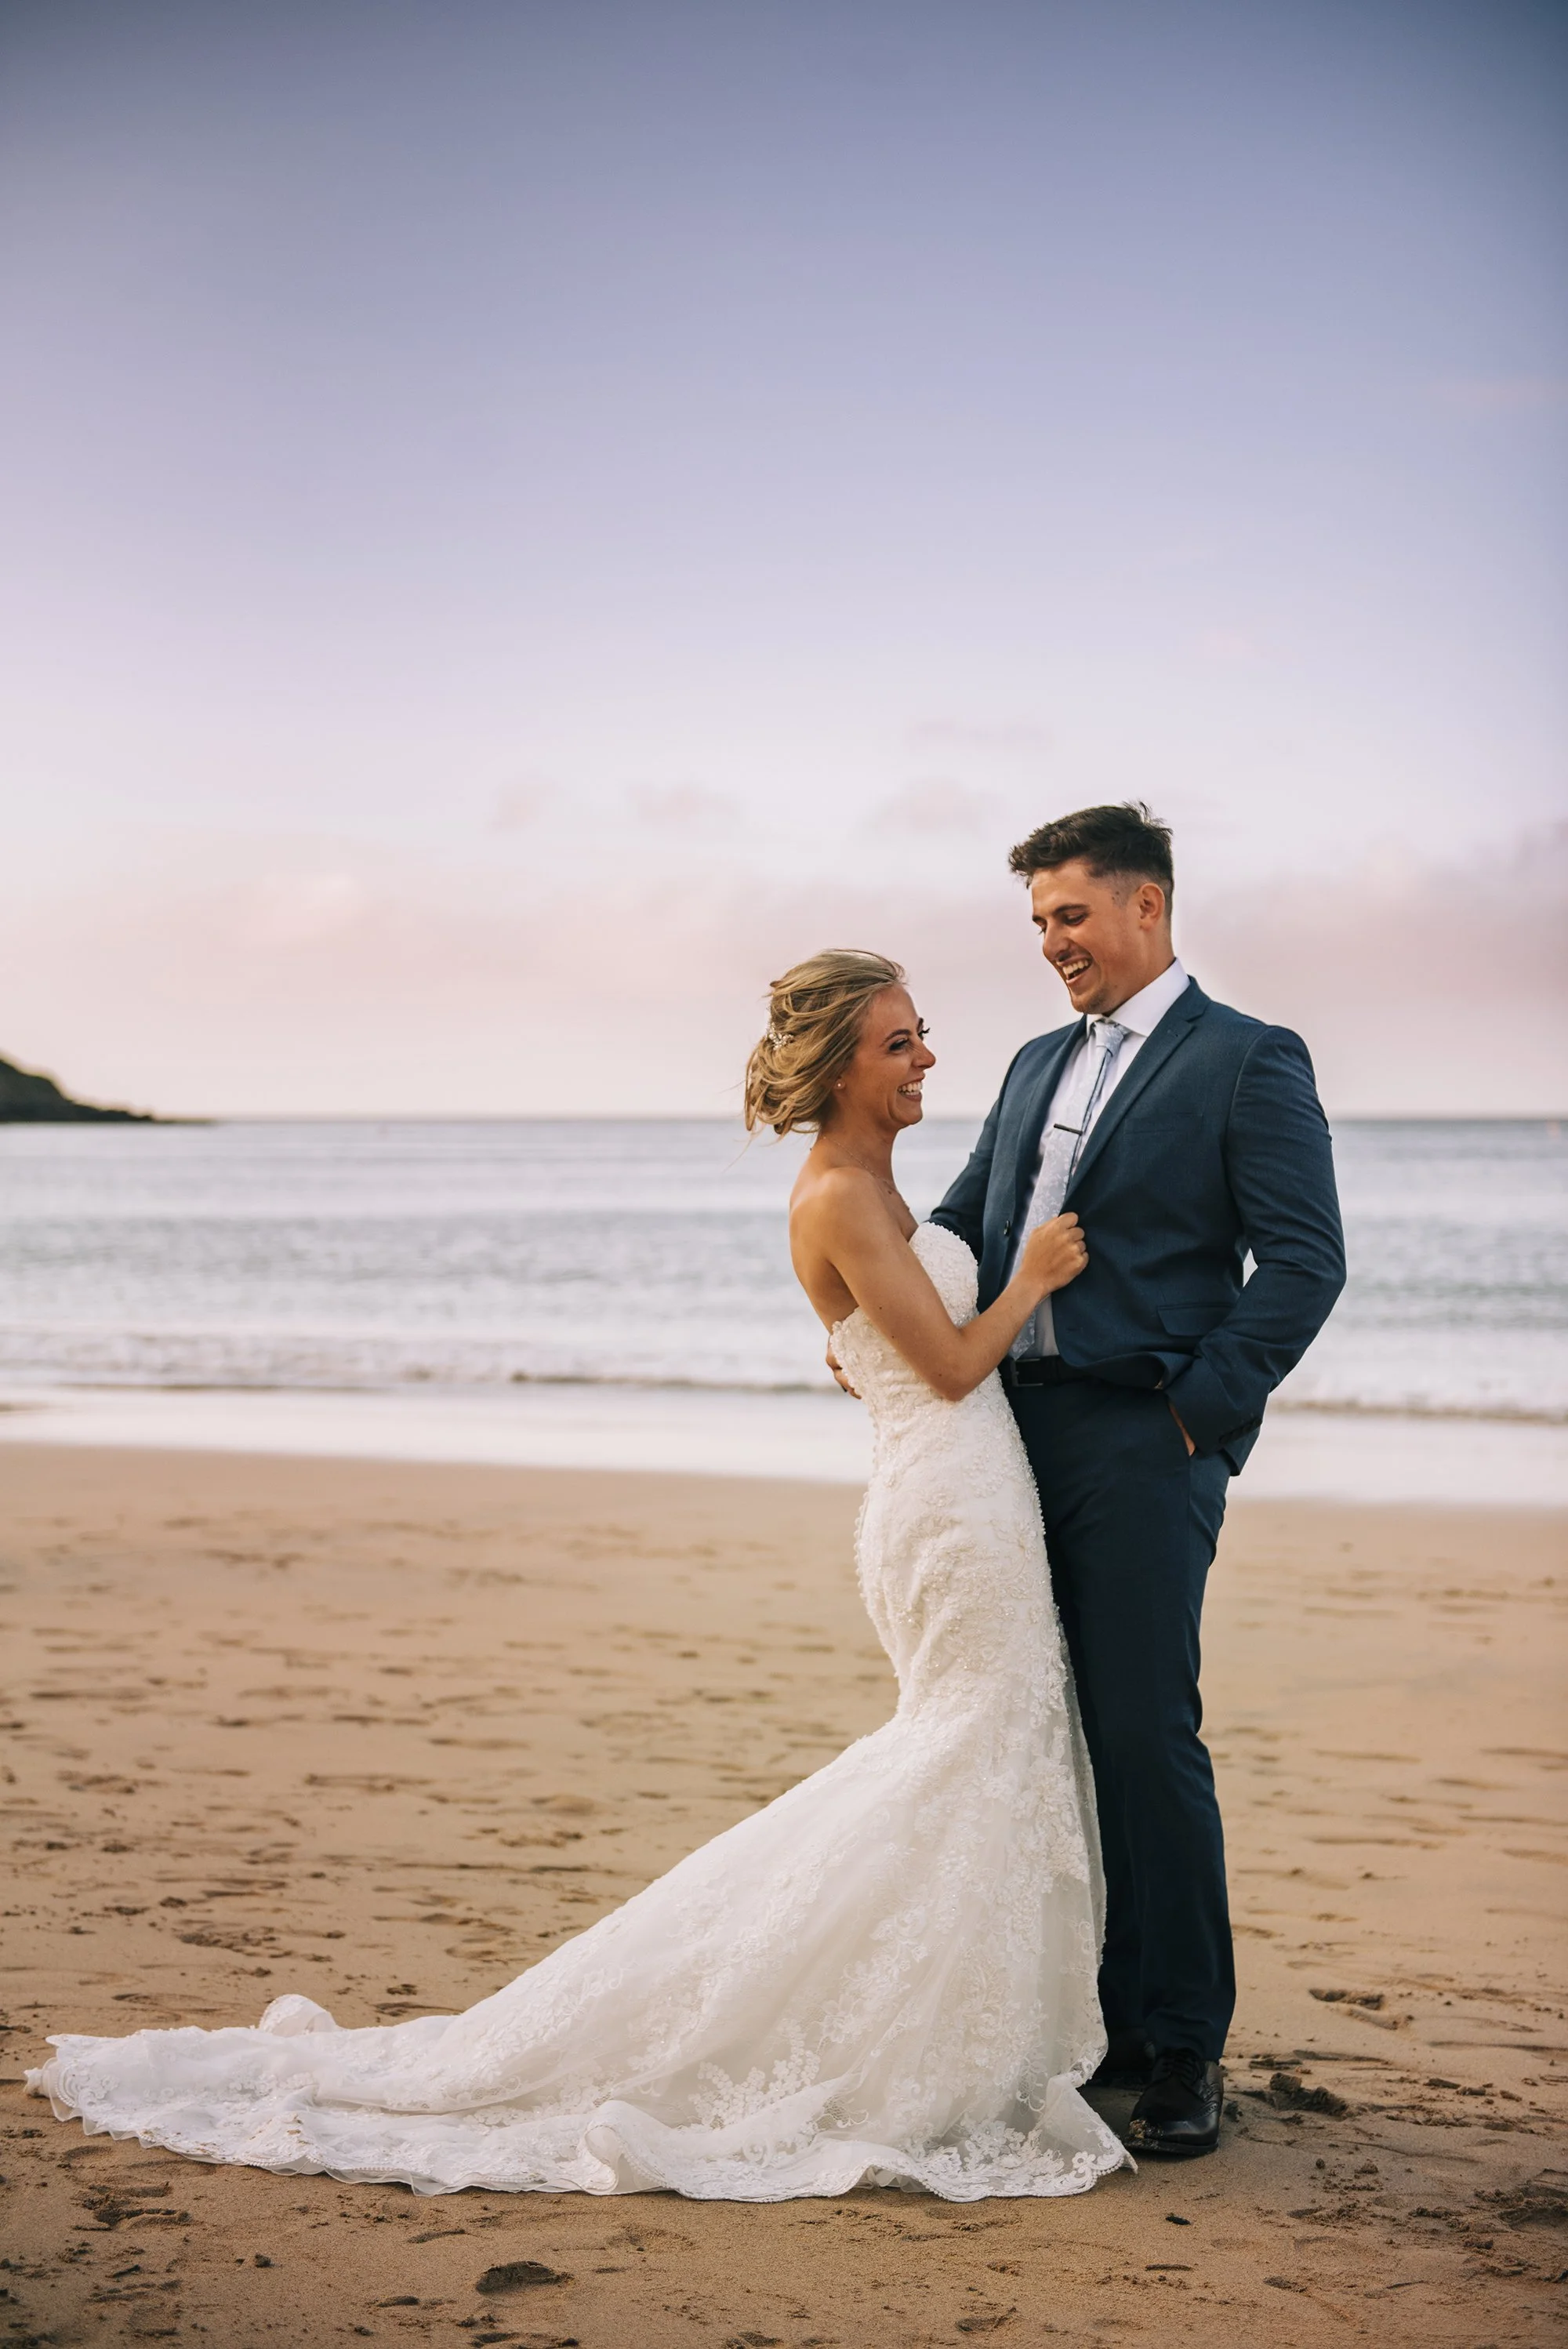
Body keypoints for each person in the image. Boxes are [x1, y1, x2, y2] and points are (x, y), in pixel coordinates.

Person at [27, 949, 1128, 2203]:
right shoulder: (834, 1193)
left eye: (921, 1032)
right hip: (947, 1502)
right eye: (898, 1042)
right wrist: (1031, 1279)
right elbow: (943, 1367)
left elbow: (885, 1342)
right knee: (956, 1749)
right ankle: (880, 2032)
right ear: (837, 1067)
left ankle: (955, 2029)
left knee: (982, 1752)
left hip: (966, 1494)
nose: (927, 1054)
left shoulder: (878, 1183)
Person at [916, 802, 1346, 2156]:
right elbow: (963, 1216)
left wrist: (1191, 1421)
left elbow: (1306, 1264)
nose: (1053, 944)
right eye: (1040, 921)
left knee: (1145, 1736)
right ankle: (1084, 2021)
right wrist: (880, 1313)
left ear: (1147, 906)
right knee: (1031, 1730)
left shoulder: (1246, 1060)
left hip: (1137, 1441)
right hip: (1004, 1435)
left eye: (1073, 915)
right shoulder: (1036, 1060)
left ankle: (1182, 2048)